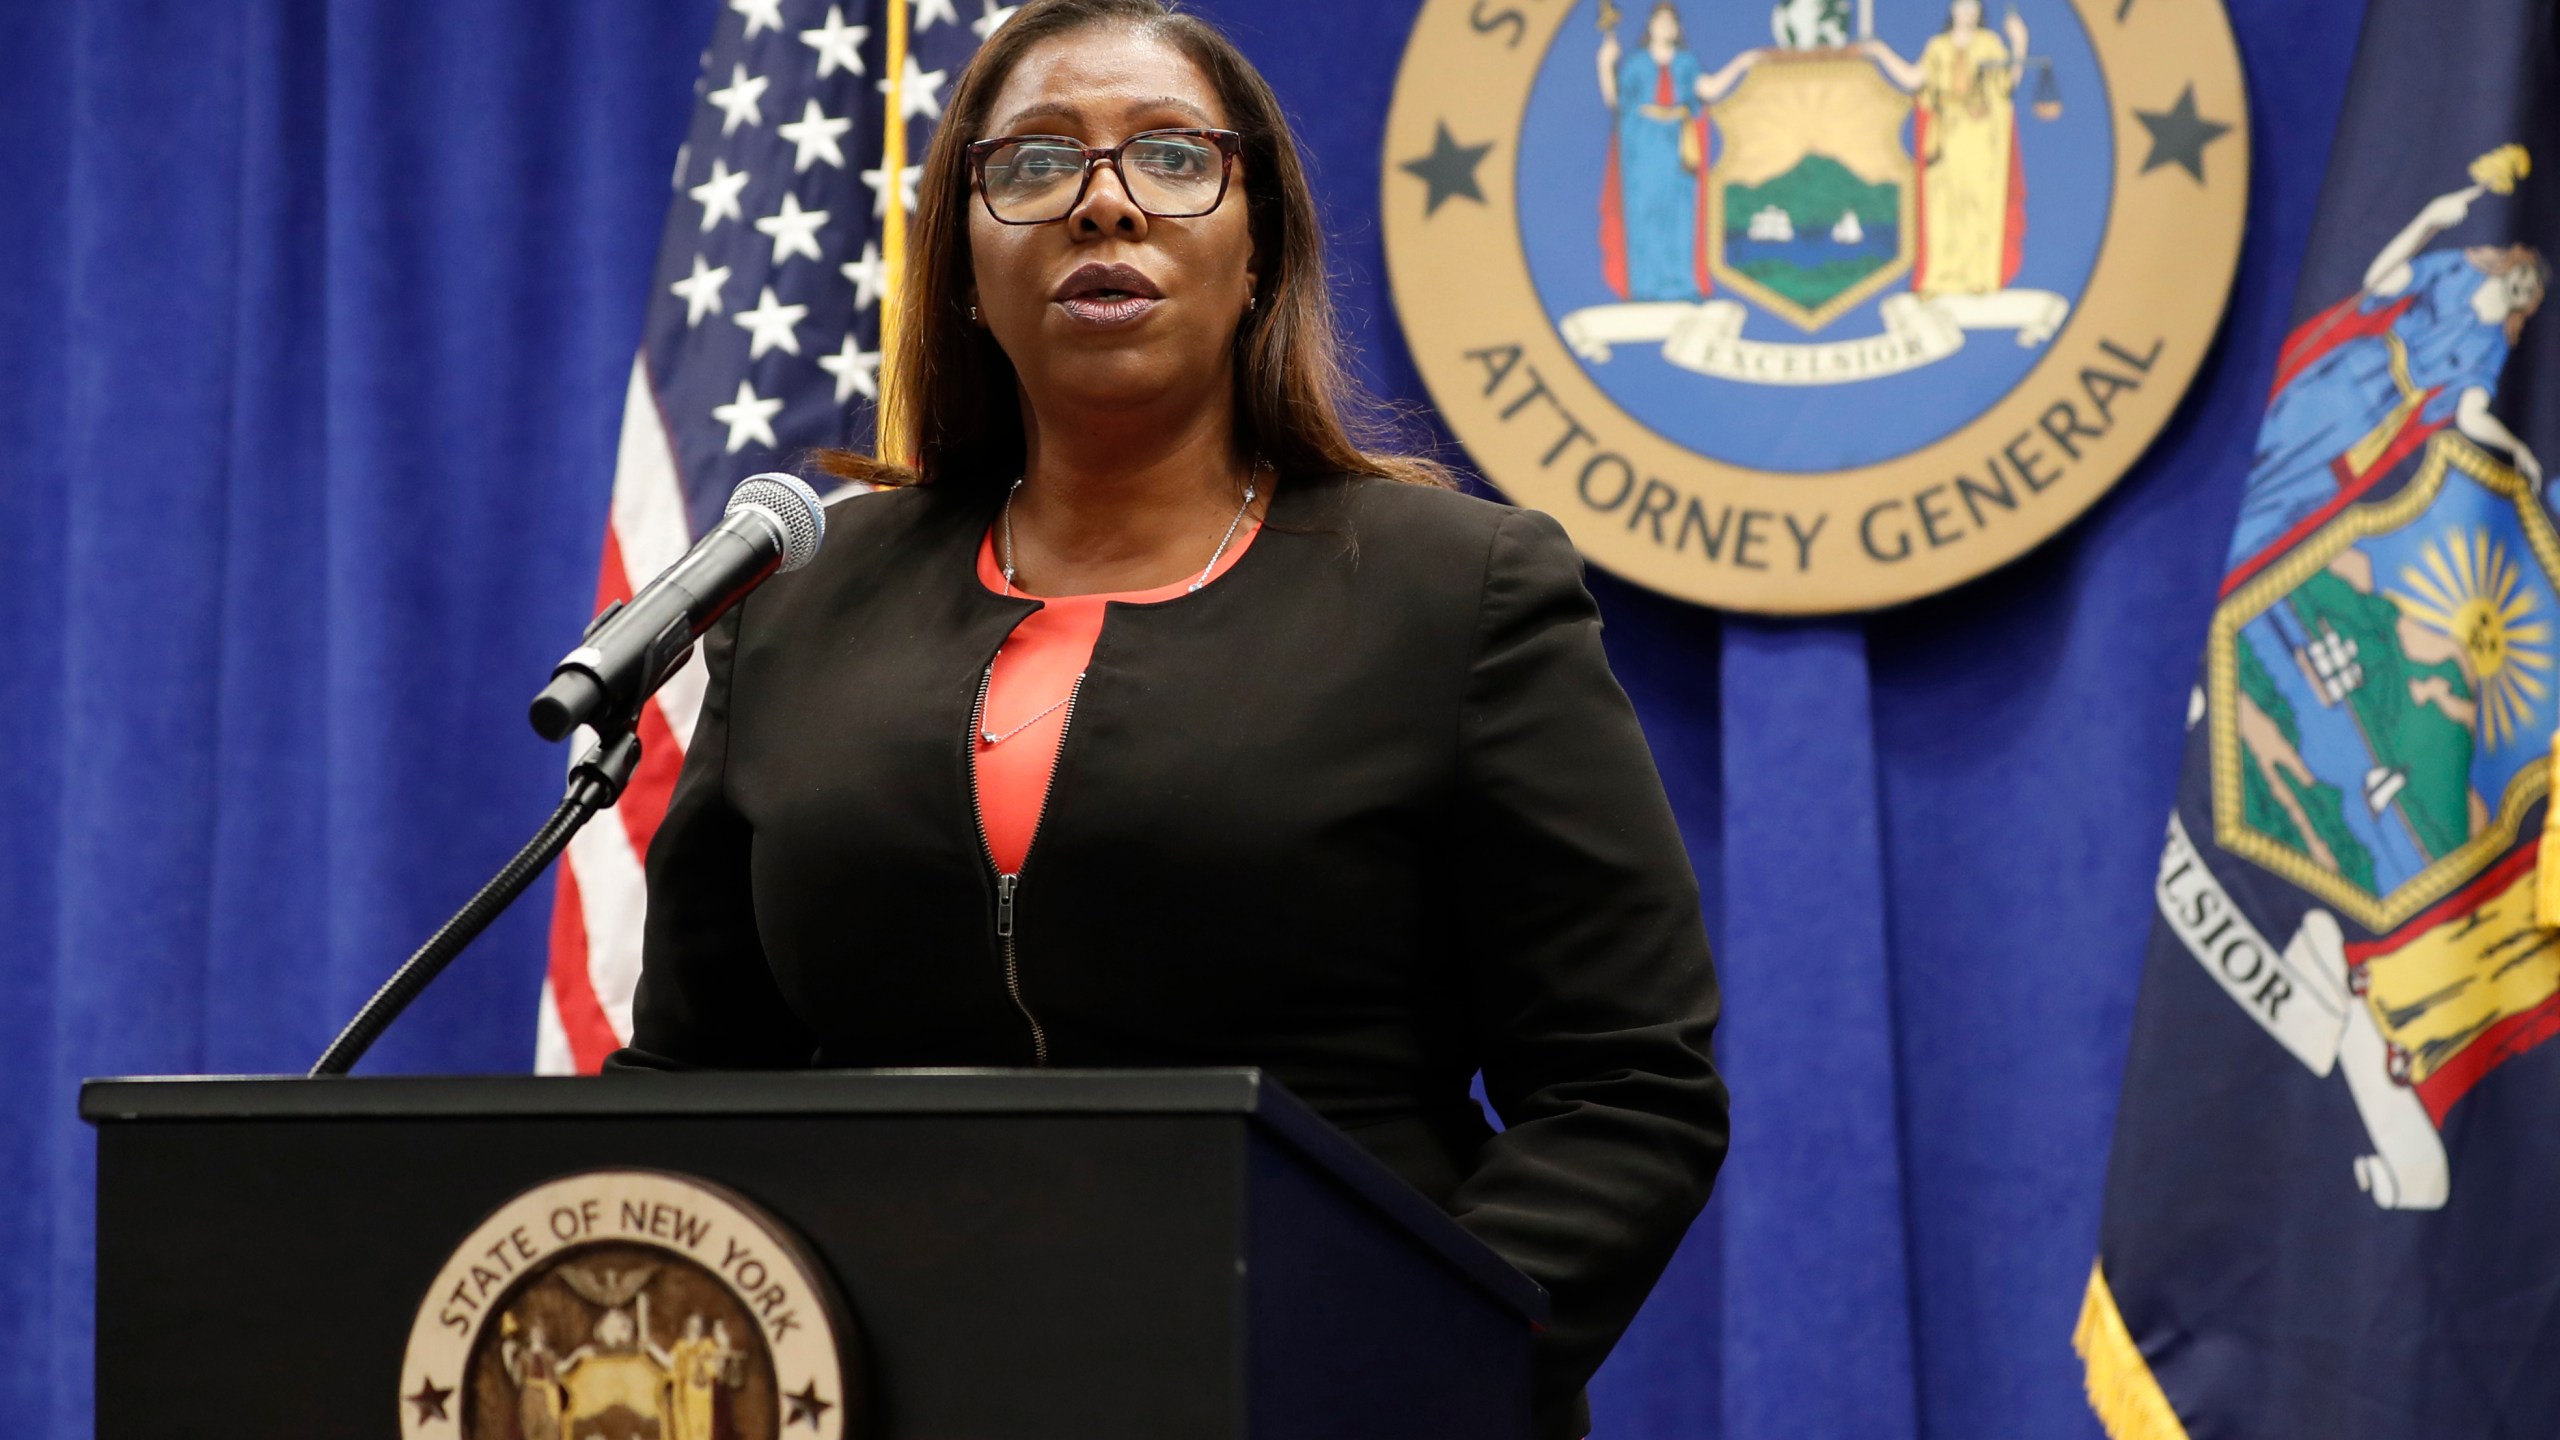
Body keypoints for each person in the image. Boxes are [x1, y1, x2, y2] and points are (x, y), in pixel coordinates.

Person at [615, 2, 1728, 1434]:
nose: (1105, 201)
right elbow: (697, 1078)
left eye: (1173, 157)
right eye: (1033, 165)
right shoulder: (806, 603)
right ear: (961, 256)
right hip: (890, 1384)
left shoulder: (1454, 593)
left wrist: (1401, 1354)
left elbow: (1624, 1088)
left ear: (1258, 244)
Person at [2227, 179, 2547, 569]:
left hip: (2379, 420)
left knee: (2303, 490)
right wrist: (2428, 218)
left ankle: (2235, 552)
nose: (2525, 286)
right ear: (2512, 261)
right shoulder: (2457, 270)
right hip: (2355, 372)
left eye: (2533, 290)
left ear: (2530, 304)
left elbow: (2470, 415)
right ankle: (2217, 512)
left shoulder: (2493, 345)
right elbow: (2380, 279)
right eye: (2526, 274)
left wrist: (2516, 449)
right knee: (2280, 432)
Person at [1863, 1, 2031, 298]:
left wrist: (2020, 43)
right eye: (1962, 6)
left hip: (1979, 136)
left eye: (1972, 7)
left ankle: (1979, 275)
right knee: (1942, 204)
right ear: (1952, 9)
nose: (1967, 12)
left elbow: (2007, 85)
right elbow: (1914, 79)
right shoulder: (1938, 47)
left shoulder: (1989, 44)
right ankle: (1940, 276)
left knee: (1978, 201)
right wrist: (1881, 52)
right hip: (1945, 135)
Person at [1596, 3, 1760, 302]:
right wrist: (1605, 65)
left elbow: (1708, 90)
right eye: (1660, 21)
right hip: (1643, 145)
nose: (1666, 27)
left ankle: (1679, 283)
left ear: (1677, 28)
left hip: (1679, 144)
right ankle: (1645, 285)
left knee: (1680, 214)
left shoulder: (1686, 63)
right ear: (1651, 27)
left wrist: (1742, 62)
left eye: (1671, 22)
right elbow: (1617, 102)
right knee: (1645, 211)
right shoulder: (1636, 63)